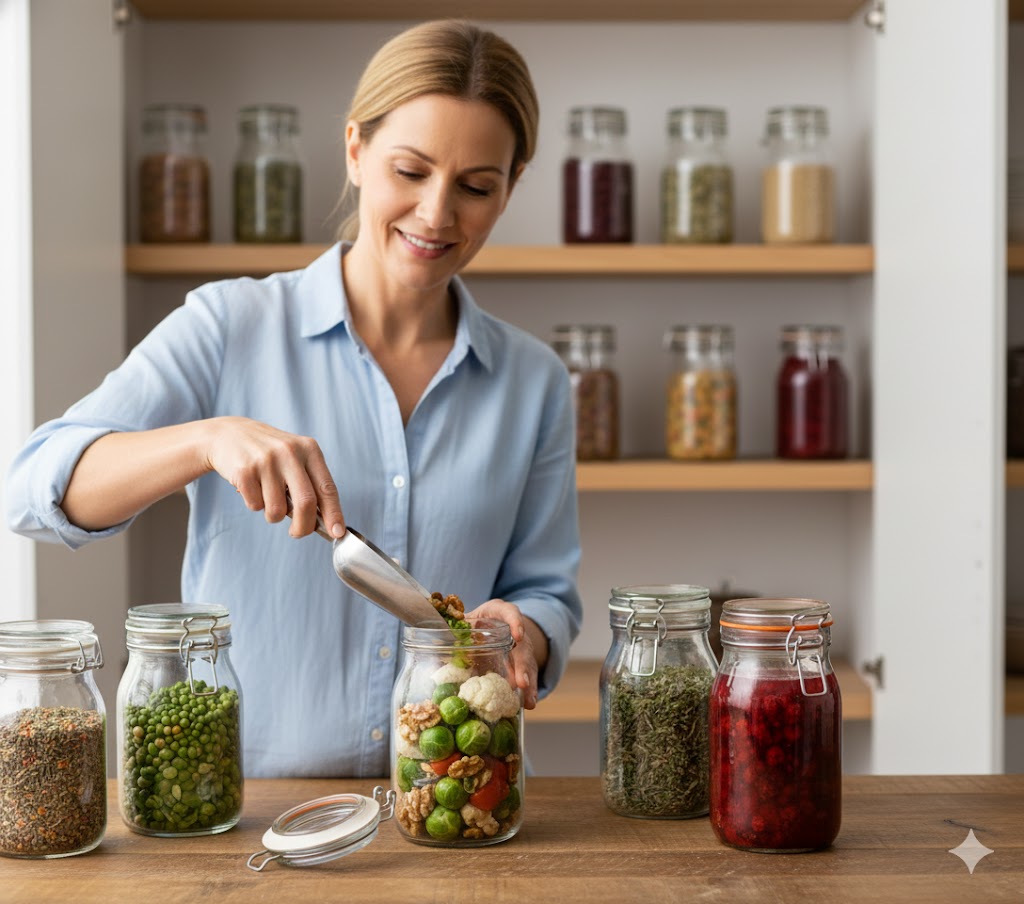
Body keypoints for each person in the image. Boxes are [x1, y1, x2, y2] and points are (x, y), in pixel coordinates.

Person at [4, 19, 582, 778]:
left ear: (510, 190)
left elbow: (544, 590)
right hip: (244, 812)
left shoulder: (532, 379)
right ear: (355, 150)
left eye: (476, 186)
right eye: (410, 171)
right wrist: (204, 440)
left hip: (456, 801)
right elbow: (33, 487)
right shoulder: (229, 325)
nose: (438, 213)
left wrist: (525, 632)